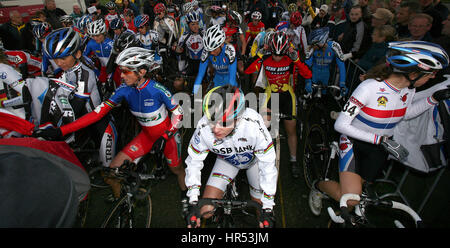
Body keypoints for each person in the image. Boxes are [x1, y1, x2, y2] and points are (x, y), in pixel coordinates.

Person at [308, 40, 450, 217]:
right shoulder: (370, 88)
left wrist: (433, 100)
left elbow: (403, 114)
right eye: (430, 74)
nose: (433, 77)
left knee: (359, 197)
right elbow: (341, 124)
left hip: (380, 148)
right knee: (350, 199)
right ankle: (318, 186)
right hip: (355, 143)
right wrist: (378, 139)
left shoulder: (408, 89)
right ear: (413, 73)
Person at [34, 47, 187, 202]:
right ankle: (122, 202)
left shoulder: (157, 89)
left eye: (126, 71)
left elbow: (179, 113)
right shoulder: (123, 90)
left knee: (177, 169)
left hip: (167, 137)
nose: (121, 75)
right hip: (146, 136)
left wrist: (167, 135)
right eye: (121, 70)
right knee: (113, 170)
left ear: (141, 72)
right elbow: (96, 114)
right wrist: (61, 131)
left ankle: (185, 193)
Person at [184, 85, 278, 228]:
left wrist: (268, 207)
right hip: (227, 162)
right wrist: (193, 200)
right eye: (212, 121)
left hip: (254, 163)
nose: (215, 129)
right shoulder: (204, 126)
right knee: (206, 211)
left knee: (260, 212)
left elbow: (268, 165)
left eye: (223, 123)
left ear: (238, 118)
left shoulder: (253, 124)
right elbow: (194, 161)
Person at [42, 27, 116, 168]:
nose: (58, 63)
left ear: (77, 54)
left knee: (109, 169)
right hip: (84, 121)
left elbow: (77, 105)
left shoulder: (85, 74)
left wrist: (57, 127)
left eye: (63, 58)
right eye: (55, 59)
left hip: (99, 122)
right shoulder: (66, 70)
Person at [256, 31, 312, 178]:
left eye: (281, 55)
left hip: (287, 95)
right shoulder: (266, 57)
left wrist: (297, 60)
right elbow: (249, 69)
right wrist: (260, 54)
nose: (277, 57)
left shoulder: (290, 59)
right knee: (263, 128)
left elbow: (307, 75)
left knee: (291, 130)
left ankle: (293, 160)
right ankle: (260, 157)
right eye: (274, 53)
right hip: (269, 94)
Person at [192, 25, 238, 95]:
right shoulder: (206, 51)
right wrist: (194, 93)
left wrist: (229, 92)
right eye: (209, 50)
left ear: (222, 44)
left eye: (214, 49)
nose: (212, 53)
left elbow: (232, 78)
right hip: (217, 78)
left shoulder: (229, 50)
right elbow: (200, 75)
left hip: (230, 78)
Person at [305, 27, 348, 96]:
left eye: (314, 44)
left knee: (324, 97)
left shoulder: (334, 46)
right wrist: (307, 81)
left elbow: (341, 66)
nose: (313, 46)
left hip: (326, 75)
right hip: (314, 74)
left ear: (322, 41)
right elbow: (306, 66)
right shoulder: (312, 48)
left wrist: (342, 84)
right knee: (310, 95)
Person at [83, 19, 114, 84]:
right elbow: (84, 57)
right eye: (93, 36)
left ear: (104, 33)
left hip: (113, 68)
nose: (95, 38)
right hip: (102, 68)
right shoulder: (91, 43)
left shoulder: (111, 44)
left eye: (97, 35)